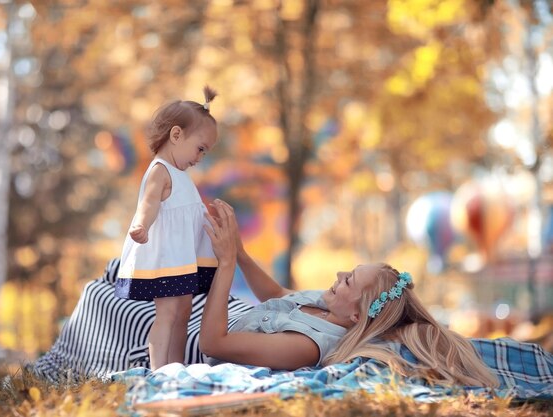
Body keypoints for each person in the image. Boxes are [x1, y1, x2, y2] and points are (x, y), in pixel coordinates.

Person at [31, 200, 552, 392]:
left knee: (110, 302)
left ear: (359, 314)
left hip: (201, 332)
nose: (341, 273)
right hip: (230, 312)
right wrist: (239, 248)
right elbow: (276, 294)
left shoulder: (305, 348)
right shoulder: (321, 304)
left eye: (352, 279)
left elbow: (213, 343)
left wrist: (226, 265)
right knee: (124, 272)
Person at [115, 86, 220, 370]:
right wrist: (141, 225)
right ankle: (160, 369)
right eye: (200, 149)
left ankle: (177, 367)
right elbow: (148, 204)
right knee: (168, 313)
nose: (200, 157)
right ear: (176, 135)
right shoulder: (160, 169)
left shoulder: (181, 174)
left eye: (205, 153)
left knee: (183, 311)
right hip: (167, 258)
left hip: (183, 258)